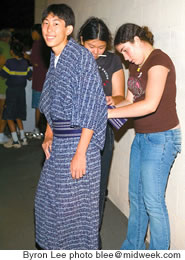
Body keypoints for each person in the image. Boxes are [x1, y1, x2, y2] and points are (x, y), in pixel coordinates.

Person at [34, 4, 107, 250]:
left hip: (80, 144)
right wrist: (48, 133)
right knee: (47, 204)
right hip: (60, 145)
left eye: (56, 24)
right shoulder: (55, 58)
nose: (49, 29)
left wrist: (80, 153)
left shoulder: (80, 56)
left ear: (69, 29)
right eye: (45, 23)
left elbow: (92, 107)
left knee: (75, 216)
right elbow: (51, 102)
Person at [108, 23, 181, 250]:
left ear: (138, 41)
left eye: (126, 50)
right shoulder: (135, 67)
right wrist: (113, 101)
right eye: (121, 53)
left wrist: (109, 113)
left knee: (152, 202)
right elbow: (130, 101)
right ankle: (132, 248)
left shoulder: (159, 61)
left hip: (161, 139)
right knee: (136, 198)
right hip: (141, 139)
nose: (126, 58)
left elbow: (150, 104)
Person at [77, 16, 125, 243]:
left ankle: (91, 235)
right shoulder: (71, 58)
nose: (96, 52)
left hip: (101, 131)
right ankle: (72, 231)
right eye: (91, 46)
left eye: (101, 47)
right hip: (74, 131)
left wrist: (110, 98)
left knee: (98, 184)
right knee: (74, 184)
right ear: (81, 40)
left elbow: (120, 95)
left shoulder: (113, 61)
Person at [0, 40, 32, 148]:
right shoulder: (24, 63)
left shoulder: (9, 62)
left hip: (12, 91)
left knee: (8, 115)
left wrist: (1, 64)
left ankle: (15, 140)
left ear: (12, 51)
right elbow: (30, 76)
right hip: (21, 92)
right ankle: (23, 138)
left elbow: (3, 75)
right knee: (18, 114)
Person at [29, 24, 49, 137]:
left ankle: (37, 129)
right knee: (46, 107)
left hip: (38, 82)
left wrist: (27, 57)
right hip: (46, 80)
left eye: (33, 32)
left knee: (38, 106)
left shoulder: (37, 44)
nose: (32, 35)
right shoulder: (46, 43)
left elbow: (35, 62)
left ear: (36, 32)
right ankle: (45, 129)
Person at [0, 29, 12, 144]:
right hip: (3, 84)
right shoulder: (6, 47)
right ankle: (0, 134)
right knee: (3, 110)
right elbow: (5, 63)